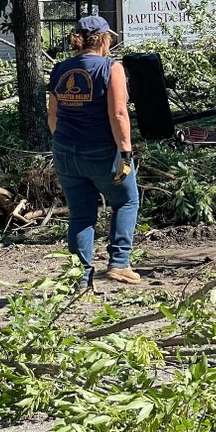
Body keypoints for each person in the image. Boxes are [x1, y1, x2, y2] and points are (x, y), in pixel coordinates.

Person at [48, 15, 142, 290]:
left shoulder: (60, 69)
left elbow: (53, 117)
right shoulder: (111, 68)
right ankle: (120, 264)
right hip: (103, 153)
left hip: (65, 152)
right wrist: (125, 152)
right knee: (126, 201)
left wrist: (67, 145)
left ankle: (80, 280)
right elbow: (118, 113)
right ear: (102, 39)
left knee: (80, 215)